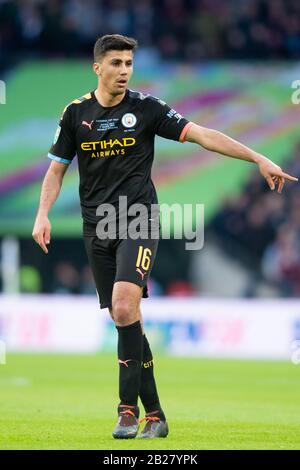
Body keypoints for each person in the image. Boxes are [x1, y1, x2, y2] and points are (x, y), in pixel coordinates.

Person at [32, 34, 298, 439]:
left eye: (129, 63)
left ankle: (126, 412)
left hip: (139, 220)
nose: (124, 71)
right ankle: (155, 415)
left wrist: (259, 157)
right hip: (98, 226)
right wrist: (43, 214)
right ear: (97, 67)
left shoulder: (147, 109)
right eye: (117, 63)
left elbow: (204, 134)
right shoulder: (75, 114)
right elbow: (56, 170)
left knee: (124, 307)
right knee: (128, 320)